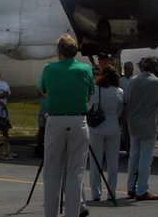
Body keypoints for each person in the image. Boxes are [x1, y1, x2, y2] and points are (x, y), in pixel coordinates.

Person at [40, 34, 93, 217]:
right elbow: (90, 93)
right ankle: (73, 212)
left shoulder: (49, 68)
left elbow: (43, 89)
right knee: (76, 172)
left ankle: (50, 214)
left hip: (56, 120)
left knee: (52, 172)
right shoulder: (85, 69)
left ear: (59, 52)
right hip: (79, 120)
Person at [125, 56, 158, 201]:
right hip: (148, 123)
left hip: (133, 121)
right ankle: (142, 189)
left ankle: (131, 186)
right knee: (145, 158)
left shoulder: (133, 80)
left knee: (134, 156)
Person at [89, 65, 124, 201]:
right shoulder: (119, 91)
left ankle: (96, 193)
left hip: (97, 128)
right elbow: (119, 111)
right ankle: (111, 192)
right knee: (113, 162)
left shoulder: (96, 90)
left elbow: (91, 106)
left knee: (95, 161)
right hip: (113, 127)